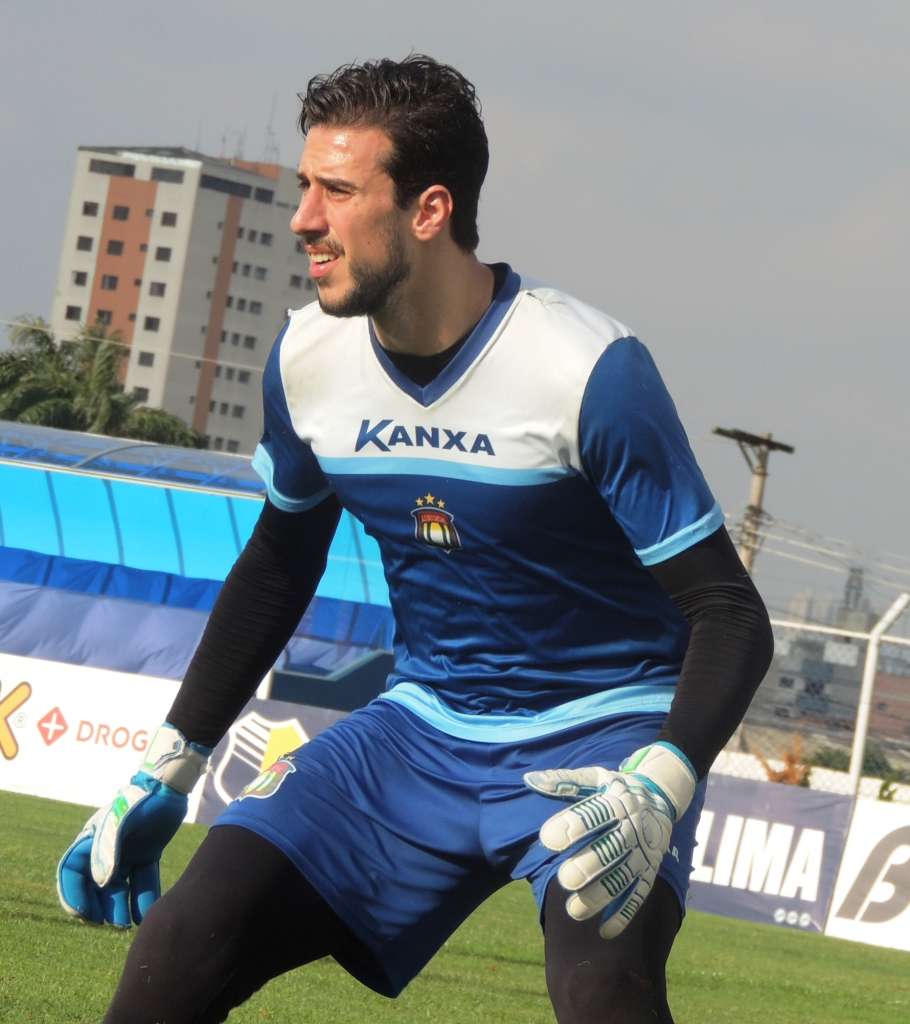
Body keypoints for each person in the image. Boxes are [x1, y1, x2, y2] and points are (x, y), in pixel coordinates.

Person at [57, 55, 773, 1023]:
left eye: (338, 191)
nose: (304, 217)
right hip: (421, 726)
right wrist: (171, 760)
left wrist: (663, 778)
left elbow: (729, 613)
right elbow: (278, 563)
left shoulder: (587, 368)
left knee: (603, 983)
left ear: (428, 211)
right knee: (184, 938)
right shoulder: (308, 358)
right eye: (305, 184)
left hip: (601, 736)